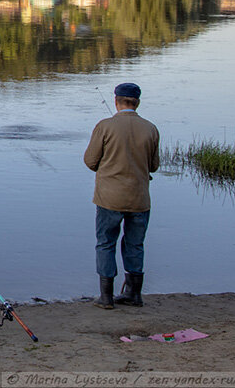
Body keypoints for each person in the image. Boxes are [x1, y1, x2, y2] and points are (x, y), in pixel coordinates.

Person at [83, 82, 159, 309]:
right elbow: (154, 166)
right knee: (135, 245)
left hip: (109, 198)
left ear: (116, 100)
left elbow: (90, 161)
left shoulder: (104, 126)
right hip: (139, 198)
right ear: (137, 102)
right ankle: (134, 295)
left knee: (106, 243)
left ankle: (106, 298)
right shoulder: (151, 128)